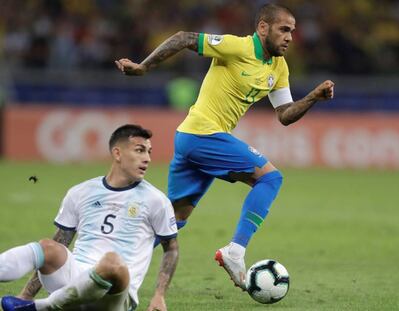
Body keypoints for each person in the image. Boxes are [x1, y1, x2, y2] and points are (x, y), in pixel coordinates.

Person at [115, 3, 334, 290]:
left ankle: (111, 263)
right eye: (283, 29)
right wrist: (144, 66)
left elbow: (284, 115)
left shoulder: (278, 67)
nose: (290, 37)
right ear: (263, 28)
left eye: (292, 31)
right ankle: (235, 251)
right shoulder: (236, 47)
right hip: (203, 134)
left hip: (191, 138)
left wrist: (313, 98)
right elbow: (183, 38)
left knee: (175, 218)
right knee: (270, 178)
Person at [0, 124, 179, 311]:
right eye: (140, 151)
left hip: (115, 295)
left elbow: (171, 249)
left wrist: (159, 295)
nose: (147, 159)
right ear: (117, 154)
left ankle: (41, 307)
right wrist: (26, 294)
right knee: (47, 247)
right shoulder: (81, 192)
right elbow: (61, 241)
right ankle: (26, 302)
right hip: (74, 281)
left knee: (112, 261)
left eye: (149, 152)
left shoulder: (156, 200)